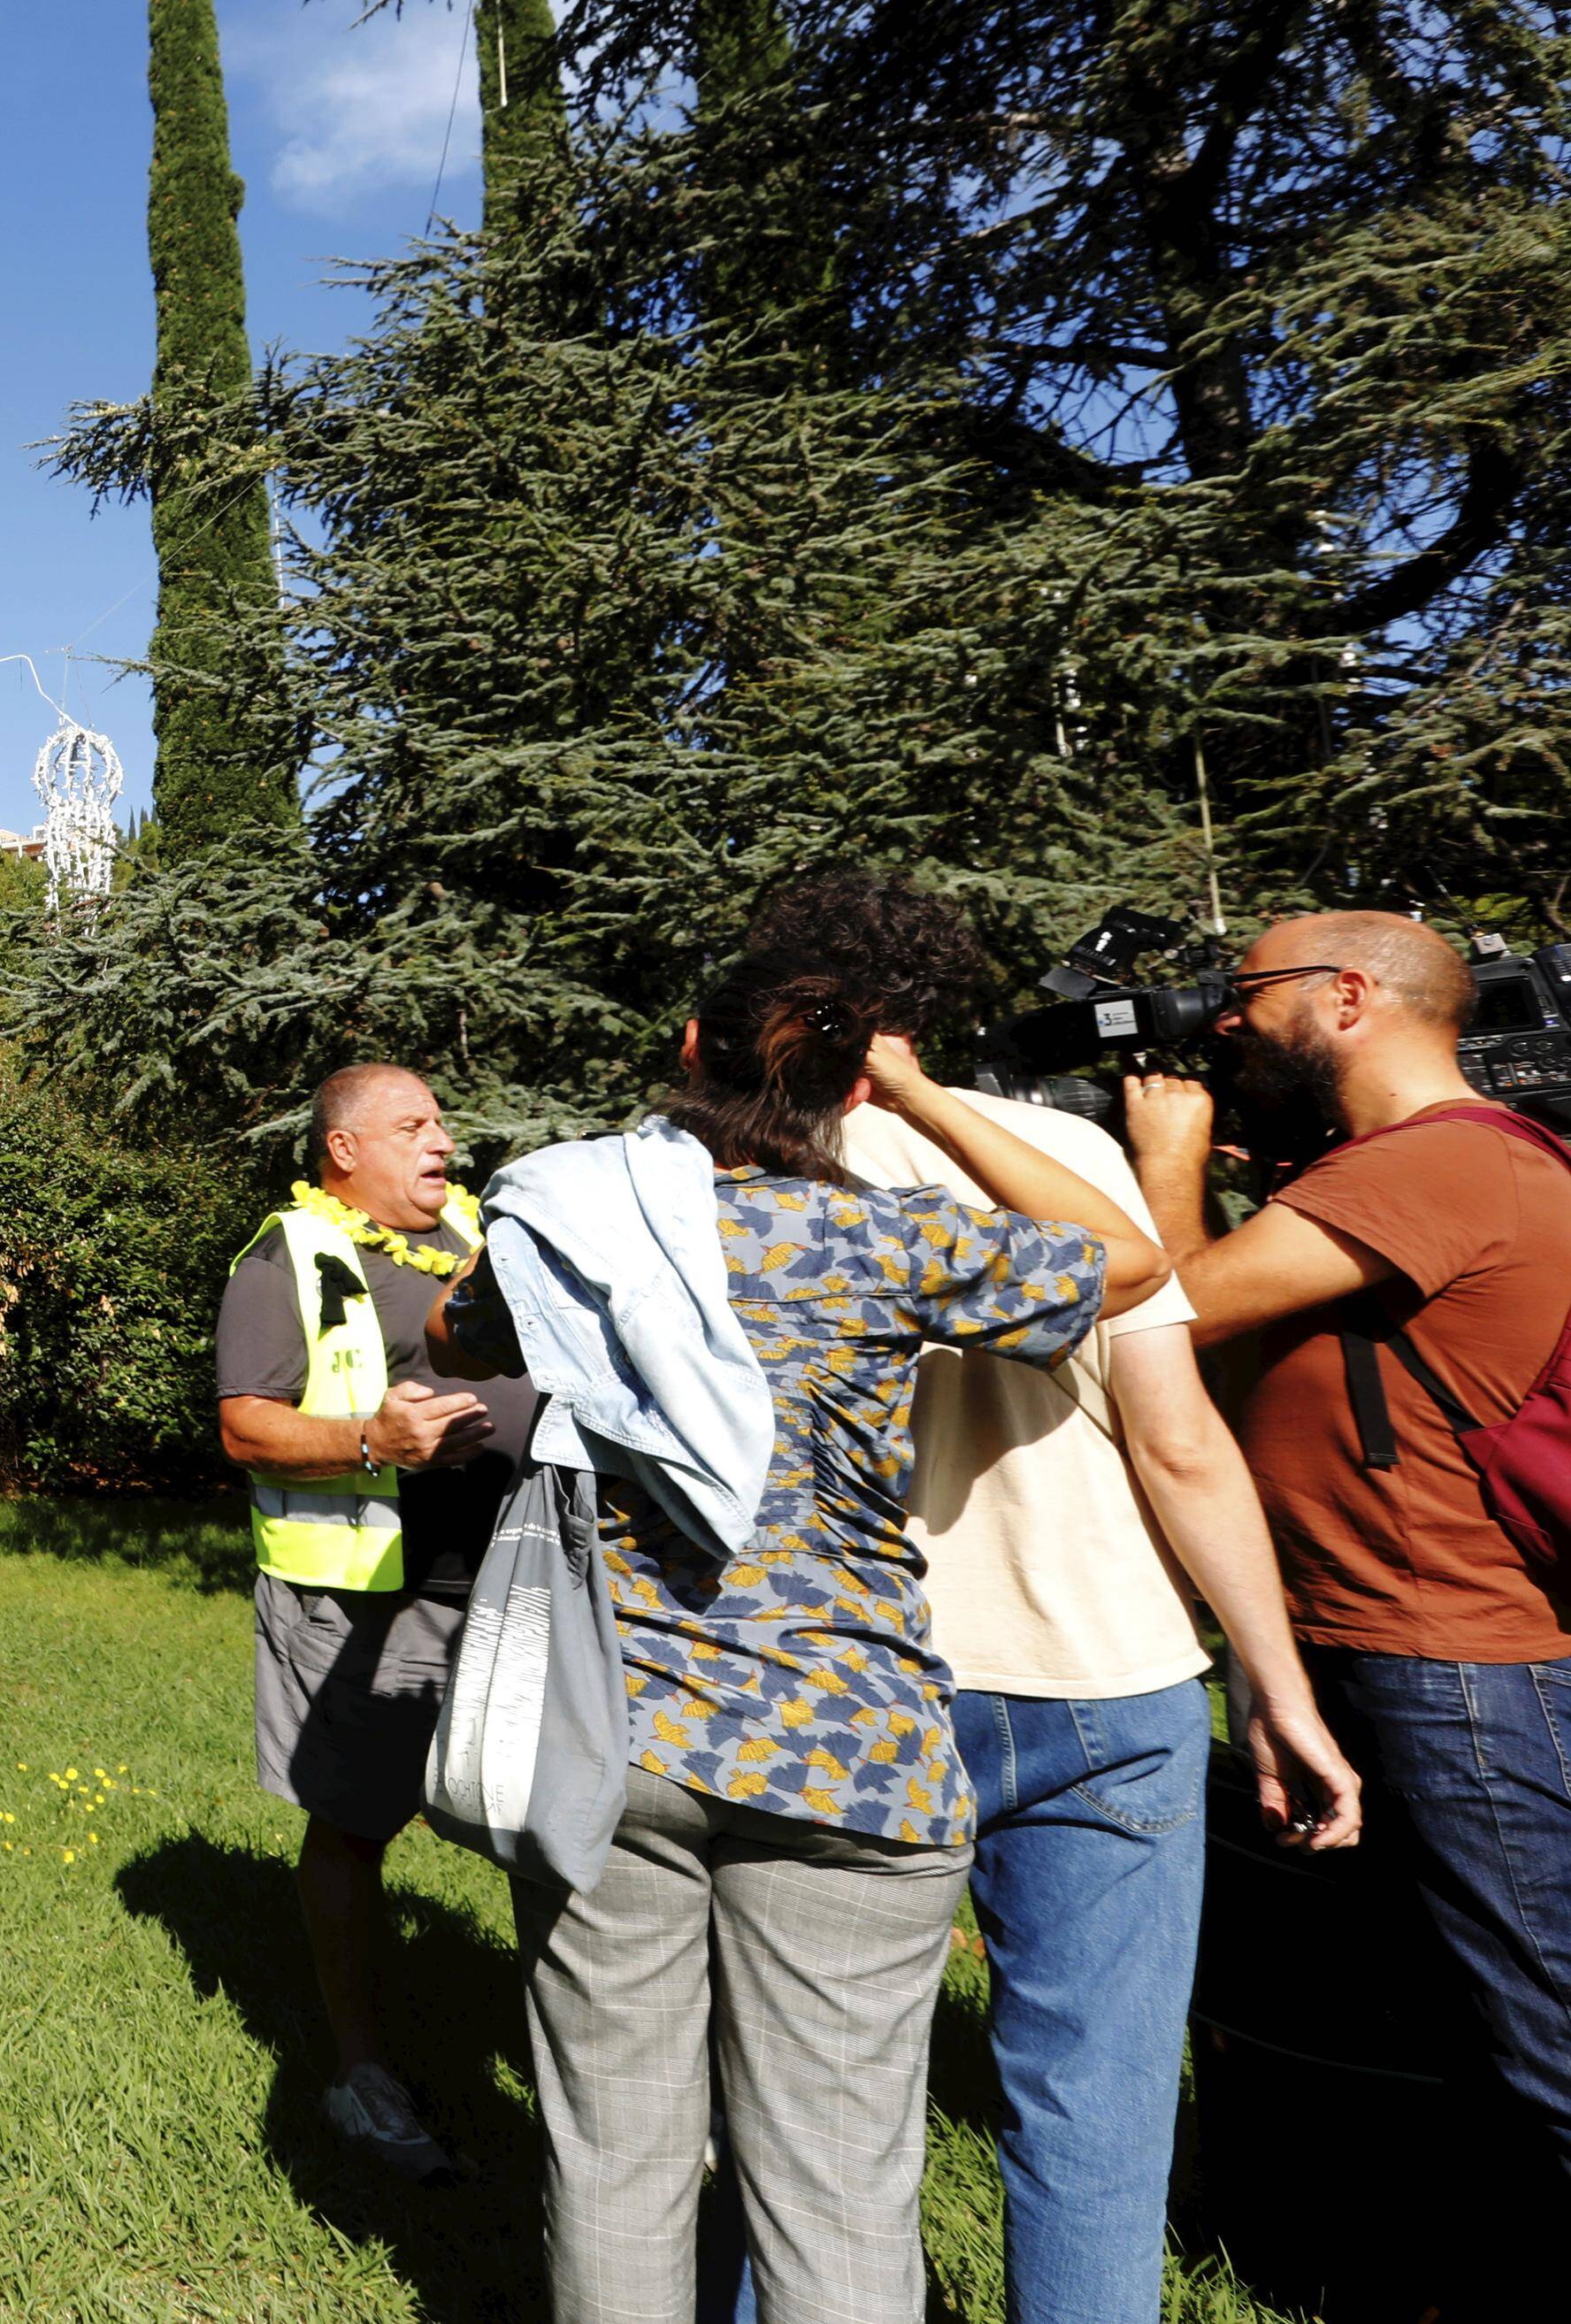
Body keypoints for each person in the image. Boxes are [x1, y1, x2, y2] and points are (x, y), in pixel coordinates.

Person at [457, 960, 1165, 2324]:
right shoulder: (893, 1239)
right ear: (851, 1082)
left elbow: (457, 1329)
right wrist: (927, 1097)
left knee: (614, 2156)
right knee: (835, 2188)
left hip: (620, 1742)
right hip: (853, 1757)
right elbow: (1130, 1260)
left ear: (685, 1046)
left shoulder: (576, 1226)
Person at [748, 878, 1360, 2322]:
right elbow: (1179, 1438)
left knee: (813, 2095)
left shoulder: (739, 1180)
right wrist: (1276, 1683)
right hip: (1116, 1672)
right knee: (1099, 2103)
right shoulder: (1065, 1152)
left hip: (864, 1685)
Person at [1130, 908, 1571, 2196]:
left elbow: (1180, 1308)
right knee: (1453, 2034)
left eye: (1247, 991)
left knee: (1546, 2033)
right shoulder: (1411, 1167)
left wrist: (1167, 1155)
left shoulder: (1434, 1164)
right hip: (1397, 1650)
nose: (1225, 1019)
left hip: (1454, 1667)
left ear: (1347, 997)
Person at [210, 1063, 524, 2182]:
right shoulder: (282, 1258)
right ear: (343, 1150)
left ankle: (569, 2045)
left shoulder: (474, 1235)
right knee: (352, 1825)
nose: (441, 1139)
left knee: (545, 1821)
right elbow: (244, 1429)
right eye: (411, 1126)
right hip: (364, 1600)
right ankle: (358, 2072)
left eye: (440, 1120)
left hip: (509, 1587)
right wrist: (365, 1441)